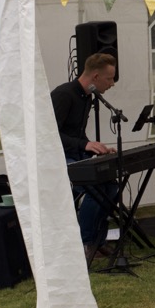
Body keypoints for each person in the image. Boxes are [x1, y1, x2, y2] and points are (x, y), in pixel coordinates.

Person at [51, 52, 119, 261]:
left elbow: (76, 134)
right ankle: (86, 243)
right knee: (94, 188)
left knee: (111, 186)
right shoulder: (64, 95)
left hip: (75, 154)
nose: (112, 84)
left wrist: (95, 147)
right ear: (95, 77)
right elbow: (50, 134)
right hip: (57, 158)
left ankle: (98, 241)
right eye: (109, 78)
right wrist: (84, 144)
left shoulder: (87, 96)